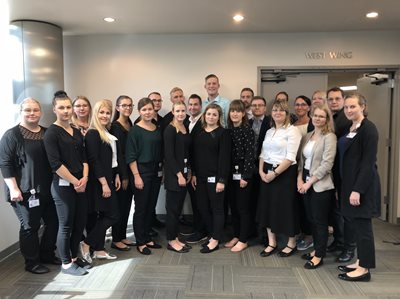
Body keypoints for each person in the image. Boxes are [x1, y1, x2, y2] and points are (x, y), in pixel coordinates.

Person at [0, 98, 59, 274]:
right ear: (21, 112)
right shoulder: (12, 135)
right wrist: (14, 188)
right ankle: (31, 262)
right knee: (30, 226)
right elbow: (5, 163)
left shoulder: (48, 132)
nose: (32, 113)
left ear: (40, 112)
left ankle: (47, 254)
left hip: (48, 190)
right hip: (24, 192)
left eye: (35, 110)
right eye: (27, 110)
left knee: (54, 222)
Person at [43, 93, 89, 276]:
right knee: (66, 224)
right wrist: (75, 181)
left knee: (79, 223)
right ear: (54, 109)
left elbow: (84, 159)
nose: (66, 111)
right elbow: (55, 164)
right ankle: (66, 264)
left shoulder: (76, 131)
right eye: (61, 107)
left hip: (81, 184)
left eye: (68, 107)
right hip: (63, 186)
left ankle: (75, 258)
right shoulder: (51, 133)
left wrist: (84, 178)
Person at [337, 92, 380, 282]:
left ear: (362, 106)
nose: (348, 110)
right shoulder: (351, 127)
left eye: (353, 106)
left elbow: (367, 163)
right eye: (346, 107)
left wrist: (357, 190)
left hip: (362, 186)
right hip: (350, 184)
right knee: (356, 224)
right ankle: (361, 260)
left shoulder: (369, 129)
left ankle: (364, 269)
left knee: (363, 227)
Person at [257, 100, 301, 257]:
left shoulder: (292, 131)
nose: (277, 113)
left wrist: (274, 174)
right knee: (268, 207)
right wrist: (261, 172)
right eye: (275, 110)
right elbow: (262, 154)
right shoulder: (269, 131)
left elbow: (290, 158)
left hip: (285, 173)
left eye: (281, 110)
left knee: (286, 209)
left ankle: (291, 243)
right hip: (267, 172)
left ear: (286, 113)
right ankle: (272, 242)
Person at [80, 100, 122, 261]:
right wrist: (104, 183)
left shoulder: (105, 131)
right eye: (101, 112)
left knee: (105, 215)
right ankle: (87, 243)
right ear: (95, 114)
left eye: (107, 113)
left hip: (109, 178)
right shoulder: (93, 133)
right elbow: (94, 160)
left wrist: (116, 174)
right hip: (99, 182)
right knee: (113, 215)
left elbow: (112, 159)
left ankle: (98, 249)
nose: (105, 115)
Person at [297, 105, 337, 269]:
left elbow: (327, 164)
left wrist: (309, 182)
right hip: (305, 181)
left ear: (327, 119)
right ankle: (316, 250)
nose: (318, 118)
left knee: (320, 222)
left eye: (322, 116)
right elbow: (302, 161)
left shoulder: (330, 137)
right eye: (316, 115)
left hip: (320, 184)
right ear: (311, 116)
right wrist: (299, 179)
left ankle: (319, 255)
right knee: (311, 219)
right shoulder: (307, 136)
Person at [126, 98, 163, 255]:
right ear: (139, 111)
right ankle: (140, 241)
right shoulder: (135, 130)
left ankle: (147, 237)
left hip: (156, 171)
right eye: (144, 110)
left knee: (150, 206)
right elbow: (131, 155)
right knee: (141, 208)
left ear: (154, 110)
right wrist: (137, 176)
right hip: (141, 171)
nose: (148, 112)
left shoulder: (156, 127)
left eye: (150, 109)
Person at [191, 103, 230, 253]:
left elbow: (224, 159)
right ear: (204, 115)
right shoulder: (199, 132)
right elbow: (194, 154)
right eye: (208, 114)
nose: (211, 117)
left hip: (216, 178)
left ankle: (215, 239)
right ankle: (213, 233)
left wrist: (222, 180)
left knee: (217, 208)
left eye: (214, 114)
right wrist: (193, 173)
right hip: (199, 177)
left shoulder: (223, 133)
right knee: (202, 207)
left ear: (219, 117)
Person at [326, 87, 356, 263]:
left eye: (337, 99)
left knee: (347, 213)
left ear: (343, 100)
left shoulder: (348, 120)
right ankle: (339, 241)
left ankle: (349, 248)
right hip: (335, 171)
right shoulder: (332, 118)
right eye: (331, 99)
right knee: (337, 211)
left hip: (347, 173)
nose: (334, 102)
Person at [225, 100, 254, 252]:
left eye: (238, 111)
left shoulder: (247, 130)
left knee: (243, 208)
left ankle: (243, 239)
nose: (235, 113)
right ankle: (236, 235)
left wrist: (246, 176)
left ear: (243, 114)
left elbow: (250, 155)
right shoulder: (228, 130)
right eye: (232, 111)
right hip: (230, 174)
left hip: (243, 174)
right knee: (234, 207)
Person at [164, 101, 192, 253]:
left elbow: (185, 153)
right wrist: (179, 175)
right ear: (173, 112)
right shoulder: (170, 129)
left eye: (183, 110)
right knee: (173, 210)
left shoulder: (184, 127)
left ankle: (175, 237)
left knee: (178, 209)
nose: (181, 113)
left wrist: (189, 171)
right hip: (174, 176)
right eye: (178, 111)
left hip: (184, 173)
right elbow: (169, 156)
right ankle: (171, 240)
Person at [110, 95, 135, 250]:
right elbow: (117, 154)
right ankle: (115, 239)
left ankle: (122, 236)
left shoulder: (130, 123)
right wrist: (123, 175)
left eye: (130, 105)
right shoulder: (115, 126)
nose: (127, 108)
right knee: (119, 206)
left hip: (130, 170)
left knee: (126, 206)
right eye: (124, 105)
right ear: (117, 108)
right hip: (121, 173)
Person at [184, 94, 208, 243]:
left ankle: (202, 231)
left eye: (196, 105)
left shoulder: (204, 122)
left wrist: (195, 172)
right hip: (190, 168)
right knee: (194, 201)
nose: (193, 107)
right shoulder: (187, 121)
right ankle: (197, 227)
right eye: (190, 105)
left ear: (201, 106)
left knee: (200, 203)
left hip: (199, 170)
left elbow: (201, 152)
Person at [293, 95, 314, 251]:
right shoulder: (293, 124)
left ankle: (309, 236)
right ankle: (303, 232)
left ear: (308, 107)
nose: (299, 107)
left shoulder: (313, 123)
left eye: (303, 104)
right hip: (294, 167)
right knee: (298, 204)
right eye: (297, 104)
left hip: (309, 168)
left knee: (308, 205)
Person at [248, 96, 271, 242]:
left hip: (265, 166)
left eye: (260, 105)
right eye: (254, 105)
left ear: (265, 108)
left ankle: (264, 235)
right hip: (250, 166)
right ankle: (251, 231)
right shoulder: (247, 122)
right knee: (251, 199)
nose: (257, 108)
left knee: (264, 201)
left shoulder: (271, 122)